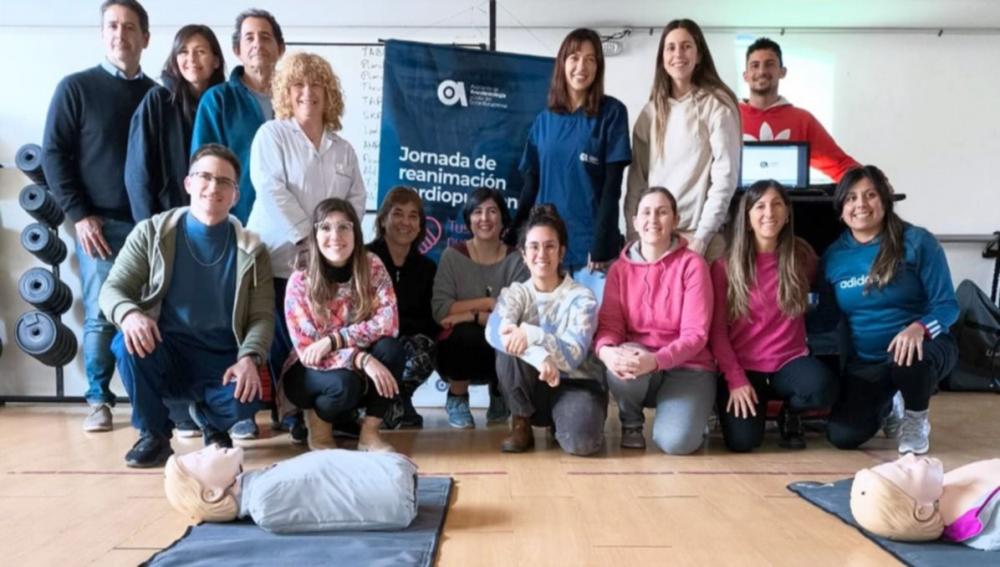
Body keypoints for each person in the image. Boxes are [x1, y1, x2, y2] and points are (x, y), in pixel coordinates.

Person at [99, 144, 274, 467]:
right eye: (205, 177)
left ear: (235, 195)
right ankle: (153, 435)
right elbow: (112, 289)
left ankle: (209, 419)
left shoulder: (253, 250)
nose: (213, 187)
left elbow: (262, 317)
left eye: (224, 182)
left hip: (222, 361)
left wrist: (249, 358)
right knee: (127, 342)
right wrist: (130, 314)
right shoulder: (150, 233)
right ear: (188, 183)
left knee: (249, 395)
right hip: (167, 351)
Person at [41, 0, 156, 432]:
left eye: (130, 27)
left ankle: (151, 400)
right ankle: (99, 400)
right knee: (102, 316)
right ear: (101, 34)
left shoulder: (158, 94)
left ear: (145, 38)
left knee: (154, 313)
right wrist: (79, 215)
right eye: (112, 25)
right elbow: (53, 153)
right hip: (99, 225)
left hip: (150, 227)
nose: (120, 34)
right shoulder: (75, 88)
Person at [247, 51, 366, 441]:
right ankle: (293, 414)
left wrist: (335, 243)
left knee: (324, 337)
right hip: (282, 260)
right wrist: (305, 236)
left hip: (326, 266)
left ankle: (324, 413)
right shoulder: (272, 136)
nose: (307, 92)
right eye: (298, 84)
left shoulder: (342, 148)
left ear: (328, 93)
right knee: (288, 343)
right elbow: (270, 189)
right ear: (285, 91)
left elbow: (356, 199)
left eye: (317, 85)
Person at [823, 165, 959, 454]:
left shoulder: (918, 242)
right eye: (851, 198)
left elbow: (948, 306)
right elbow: (827, 316)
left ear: (885, 200)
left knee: (908, 359)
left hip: (922, 352)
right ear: (841, 209)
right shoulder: (834, 257)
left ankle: (915, 418)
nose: (860, 204)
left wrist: (918, 328)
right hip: (868, 362)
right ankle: (891, 402)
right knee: (842, 436)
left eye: (870, 195)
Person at [709, 180, 838, 452]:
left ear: (787, 213)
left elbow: (830, 295)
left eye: (777, 204)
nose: (769, 212)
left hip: (788, 362)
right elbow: (717, 332)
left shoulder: (801, 256)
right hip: (744, 368)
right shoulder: (724, 266)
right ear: (747, 217)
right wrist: (735, 379)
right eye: (760, 206)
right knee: (743, 443)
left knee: (822, 388)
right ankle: (745, 408)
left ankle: (790, 412)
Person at [510, 28, 631, 301]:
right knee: (548, 336)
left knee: (592, 335)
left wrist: (602, 243)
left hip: (592, 253)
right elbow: (531, 184)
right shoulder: (544, 120)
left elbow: (613, 187)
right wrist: (517, 231)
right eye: (575, 57)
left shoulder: (612, 113)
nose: (582, 66)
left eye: (591, 59)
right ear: (562, 63)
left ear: (598, 67)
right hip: (547, 252)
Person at [594, 187, 716, 454]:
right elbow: (610, 327)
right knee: (620, 356)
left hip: (688, 367)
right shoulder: (619, 269)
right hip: (641, 364)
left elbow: (696, 335)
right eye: (646, 212)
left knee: (676, 443)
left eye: (662, 212)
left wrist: (657, 360)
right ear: (635, 221)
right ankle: (631, 422)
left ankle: (695, 412)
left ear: (675, 219)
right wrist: (605, 351)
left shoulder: (693, 265)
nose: (653, 219)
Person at [281, 198, 403, 453]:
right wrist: (361, 359)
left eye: (343, 227)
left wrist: (336, 340)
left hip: (348, 360)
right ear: (315, 234)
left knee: (391, 350)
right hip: (308, 370)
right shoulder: (300, 280)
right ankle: (318, 424)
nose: (335, 235)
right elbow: (309, 352)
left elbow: (388, 323)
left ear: (356, 233)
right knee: (344, 386)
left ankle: (369, 433)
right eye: (325, 227)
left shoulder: (372, 266)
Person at [485, 205, 606, 456]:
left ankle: (563, 422)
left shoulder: (582, 297)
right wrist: (539, 356)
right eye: (534, 246)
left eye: (550, 246)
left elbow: (573, 355)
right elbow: (494, 331)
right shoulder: (517, 292)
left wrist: (532, 333)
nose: (542, 254)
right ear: (523, 253)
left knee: (582, 445)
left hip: (577, 383)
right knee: (507, 342)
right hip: (534, 384)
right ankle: (521, 421)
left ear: (561, 252)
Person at [626, 18, 741, 261]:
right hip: (656, 240)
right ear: (662, 57)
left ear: (699, 55)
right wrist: (633, 236)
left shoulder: (717, 106)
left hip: (701, 238)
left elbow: (725, 178)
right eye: (671, 47)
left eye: (686, 46)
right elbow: (637, 180)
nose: (679, 53)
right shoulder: (650, 113)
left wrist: (701, 239)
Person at [432, 188, 529, 429]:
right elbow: (442, 311)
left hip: (503, 344)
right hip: (457, 351)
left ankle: (500, 396)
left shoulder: (517, 259)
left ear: (503, 218)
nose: (484, 218)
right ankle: (457, 399)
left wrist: (467, 315)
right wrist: (486, 305)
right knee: (466, 333)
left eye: (492, 211)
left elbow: (519, 315)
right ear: (469, 219)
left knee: (504, 334)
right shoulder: (452, 256)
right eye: (477, 211)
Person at [164, 444, 418, 532]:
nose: (210, 448)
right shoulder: (266, 501)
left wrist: (385, 463)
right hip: (396, 491)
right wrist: (390, 470)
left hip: (394, 478)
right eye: (199, 457)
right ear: (211, 493)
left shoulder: (262, 485)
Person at [191, 8, 285, 224]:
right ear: (237, 50)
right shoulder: (217, 101)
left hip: (291, 227)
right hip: (235, 223)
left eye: (265, 37)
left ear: (280, 49)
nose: (257, 44)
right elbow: (203, 168)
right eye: (249, 38)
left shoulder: (297, 100)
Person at [125, 24, 226, 222]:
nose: (191, 59)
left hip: (217, 221)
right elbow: (138, 173)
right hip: (167, 221)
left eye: (200, 51)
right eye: (183, 52)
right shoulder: (158, 101)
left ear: (215, 61)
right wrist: (148, 228)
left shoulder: (224, 105)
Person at [367, 187, 439, 429]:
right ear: (383, 219)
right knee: (389, 349)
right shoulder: (364, 259)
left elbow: (430, 320)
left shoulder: (427, 268)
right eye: (398, 214)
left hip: (408, 342)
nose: (405, 222)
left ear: (420, 226)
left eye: (412, 216)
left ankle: (399, 400)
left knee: (425, 349)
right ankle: (377, 405)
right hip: (373, 343)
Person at [740, 37, 860, 182]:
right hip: (736, 203)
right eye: (755, 65)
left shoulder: (802, 120)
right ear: (745, 75)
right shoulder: (728, 116)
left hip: (788, 204)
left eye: (769, 64)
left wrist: (874, 182)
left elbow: (838, 164)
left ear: (782, 72)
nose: (762, 71)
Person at [850, 454, 1000, 550]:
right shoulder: (991, 523)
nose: (909, 456)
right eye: (908, 471)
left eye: (898, 462)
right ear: (923, 511)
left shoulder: (945, 486)